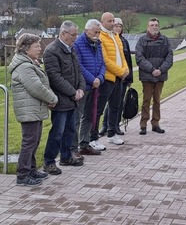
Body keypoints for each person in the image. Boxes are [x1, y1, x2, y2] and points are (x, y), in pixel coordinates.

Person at [9, 33, 58, 186]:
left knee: (34, 141)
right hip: (28, 110)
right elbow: (36, 87)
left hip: (34, 109)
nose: (40, 48)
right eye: (36, 46)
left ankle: (31, 169)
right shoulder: (24, 66)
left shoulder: (30, 62)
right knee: (29, 142)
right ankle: (23, 175)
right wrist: (53, 99)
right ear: (26, 48)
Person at [43, 21, 86, 175]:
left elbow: (78, 71)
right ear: (63, 33)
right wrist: (73, 92)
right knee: (57, 132)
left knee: (70, 130)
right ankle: (49, 161)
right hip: (60, 99)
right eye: (73, 35)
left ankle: (66, 157)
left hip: (73, 99)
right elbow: (55, 77)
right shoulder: (52, 51)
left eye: (76, 35)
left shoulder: (71, 49)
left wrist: (81, 88)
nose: (75, 38)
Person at [96, 12, 129, 146]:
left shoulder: (116, 36)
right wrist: (121, 72)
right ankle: (93, 137)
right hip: (108, 78)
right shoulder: (101, 37)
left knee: (116, 106)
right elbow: (105, 60)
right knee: (100, 108)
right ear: (102, 22)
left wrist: (125, 69)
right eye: (109, 21)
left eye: (113, 20)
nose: (113, 23)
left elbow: (122, 55)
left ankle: (112, 133)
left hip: (119, 78)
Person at [135, 17, 173, 135]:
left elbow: (169, 57)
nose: (154, 27)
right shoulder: (142, 40)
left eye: (156, 25)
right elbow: (139, 58)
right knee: (146, 100)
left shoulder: (165, 40)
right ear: (148, 27)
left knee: (157, 100)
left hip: (160, 76)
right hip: (147, 75)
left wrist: (160, 70)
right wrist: (151, 69)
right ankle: (143, 124)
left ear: (159, 26)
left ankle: (155, 123)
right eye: (152, 25)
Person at [74, 19, 105, 156]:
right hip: (83, 86)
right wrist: (93, 79)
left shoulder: (98, 44)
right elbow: (79, 66)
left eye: (98, 32)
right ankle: (73, 148)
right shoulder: (78, 44)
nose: (97, 34)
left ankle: (85, 144)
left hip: (95, 86)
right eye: (95, 32)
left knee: (89, 116)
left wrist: (100, 78)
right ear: (86, 31)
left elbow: (102, 63)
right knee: (77, 118)